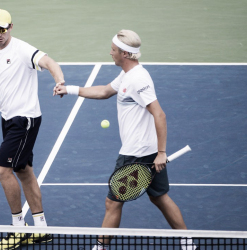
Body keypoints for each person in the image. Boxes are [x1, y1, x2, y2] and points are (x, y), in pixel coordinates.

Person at [54, 30, 197, 250]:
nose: (110, 53)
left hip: (137, 153)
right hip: (146, 149)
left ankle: (100, 247)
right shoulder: (127, 74)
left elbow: (159, 114)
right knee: (159, 197)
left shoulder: (137, 80)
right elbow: (103, 91)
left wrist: (161, 152)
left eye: (113, 50)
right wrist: (70, 89)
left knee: (112, 202)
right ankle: (188, 243)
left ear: (125, 54)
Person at [0, 9, 65, 250]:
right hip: (8, 120)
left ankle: (18, 228)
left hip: (25, 120)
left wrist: (60, 81)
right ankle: (42, 228)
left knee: (2, 170)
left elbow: (49, 62)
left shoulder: (23, 49)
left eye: (2, 29)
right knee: (23, 170)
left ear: (11, 27)